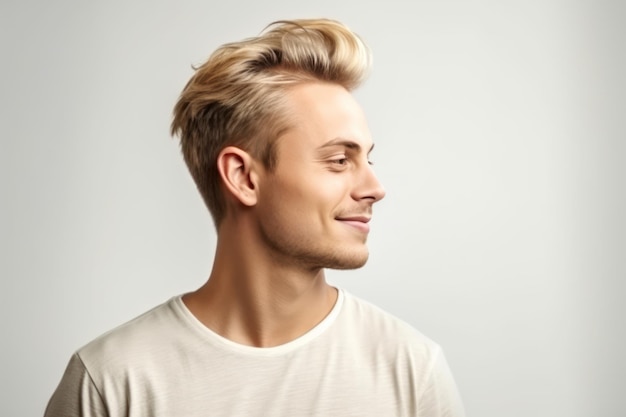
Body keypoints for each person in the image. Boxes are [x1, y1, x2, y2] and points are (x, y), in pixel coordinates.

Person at [45, 19, 465, 417]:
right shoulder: (111, 380)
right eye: (340, 160)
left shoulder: (411, 370)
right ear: (243, 176)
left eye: (367, 159)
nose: (375, 187)